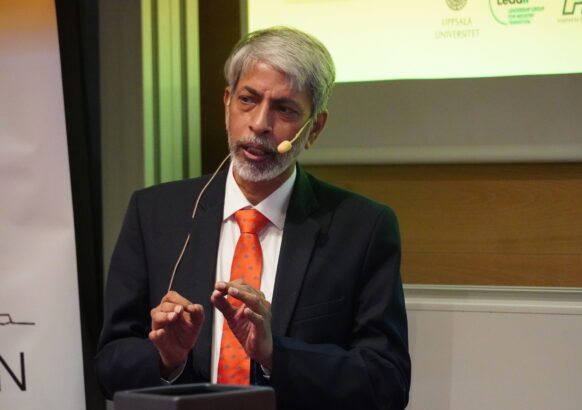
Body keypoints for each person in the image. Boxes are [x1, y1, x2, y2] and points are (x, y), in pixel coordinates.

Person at [95, 26, 410, 410]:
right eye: (248, 99)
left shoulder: (362, 227)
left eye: (285, 109)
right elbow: (109, 367)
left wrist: (276, 354)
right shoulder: (154, 213)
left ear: (315, 129)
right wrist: (166, 358)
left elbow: (386, 383)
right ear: (227, 104)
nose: (260, 124)